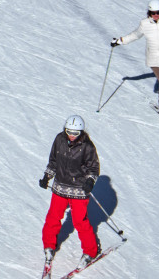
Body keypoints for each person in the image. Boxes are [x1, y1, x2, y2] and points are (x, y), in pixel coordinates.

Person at [39, 115, 101, 272]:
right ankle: (49, 246)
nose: (72, 136)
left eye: (75, 133)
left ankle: (90, 251)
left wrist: (90, 181)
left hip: (79, 189)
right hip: (60, 186)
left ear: (81, 132)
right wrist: (47, 176)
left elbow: (93, 168)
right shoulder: (59, 139)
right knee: (53, 216)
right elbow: (53, 161)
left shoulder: (87, 146)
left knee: (80, 221)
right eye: (69, 132)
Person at [111, 0, 159, 118]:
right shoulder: (145, 24)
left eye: (158, 12)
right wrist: (120, 41)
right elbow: (135, 35)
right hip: (154, 60)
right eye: (153, 13)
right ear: (149, 13)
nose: (156, 15)